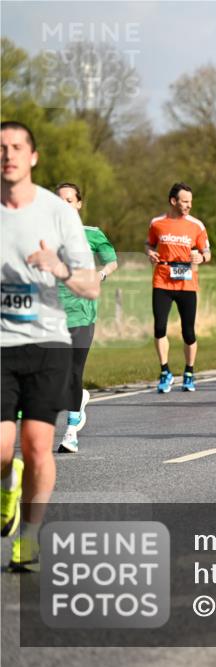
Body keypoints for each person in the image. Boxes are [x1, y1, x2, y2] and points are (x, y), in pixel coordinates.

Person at [1, 121, 100, 572]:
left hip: (47, 342)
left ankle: (29, 539)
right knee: (3, 449)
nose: (8, 155)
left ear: (33, 157)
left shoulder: (58, 214)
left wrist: (58, 268)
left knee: (38, 445)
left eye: (17, 147)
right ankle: (8, 484)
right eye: (1, 148)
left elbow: (91, 286)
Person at [55, 183, 118, 453]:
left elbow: (112, 261)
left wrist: (100, 274)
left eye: (69, 200)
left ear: (79, 204)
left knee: (73, 371)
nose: (64, 205)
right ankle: (77, 399)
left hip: (82, 314)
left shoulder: (92, 234)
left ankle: (71, 431)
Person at [146, 183, 210, 393]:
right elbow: (149, 244)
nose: (189, 205)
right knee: (159, 328)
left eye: (191, 201)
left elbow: (207, 252)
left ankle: (189, 373)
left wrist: (201, 258)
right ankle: (165, 372)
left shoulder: (197, 225)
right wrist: (150, 252)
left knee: (188, 331)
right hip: (162, 281)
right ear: (173, 201)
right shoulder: (157, 223)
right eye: (185, 201)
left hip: (187, 283)